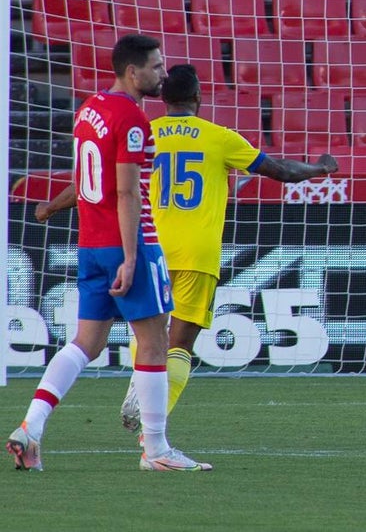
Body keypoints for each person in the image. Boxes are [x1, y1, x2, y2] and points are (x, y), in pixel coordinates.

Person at [36, 65, 340, 432]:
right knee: (178, 347)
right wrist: (319, 168)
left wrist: (51, 207)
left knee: (149, 336)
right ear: (198, 97)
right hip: (198, 255)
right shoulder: (220, 137)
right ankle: (152, 426)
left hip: (151, 249)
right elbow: (281, 171)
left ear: (163, 99)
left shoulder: (144, 133)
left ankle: (138, 388)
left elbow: (98, 182)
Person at [6, 34, 211, 471]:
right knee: (154, 342)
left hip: (91, 244)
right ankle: (156, 450)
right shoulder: (132, 118)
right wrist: (132, 258)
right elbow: (126, 191)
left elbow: (83, 180)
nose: (163, 73)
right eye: (156, 66)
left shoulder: (90, 109)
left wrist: (53, 207)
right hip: (129, 243)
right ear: (132, 72)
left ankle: (31, 427)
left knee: (87, 342)